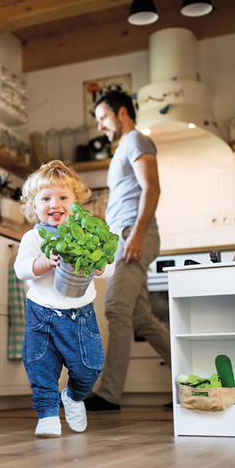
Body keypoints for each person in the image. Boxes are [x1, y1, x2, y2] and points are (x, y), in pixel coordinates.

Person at [83, 89, 171, 413]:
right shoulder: (123, 148)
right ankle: (193, 380)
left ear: (122, 113)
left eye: (103, 118)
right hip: (127, 236)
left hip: (136, 236)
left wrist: (136, 234)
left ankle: (109, 394)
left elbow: (152, 187)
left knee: (116, 309)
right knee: (141, 318)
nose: (100, 126)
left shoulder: (136, 140)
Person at [15, 160, 115, 438]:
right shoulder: (33, 237)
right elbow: (21, 269)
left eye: (62, 197)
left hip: (79, 313)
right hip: (41, 313)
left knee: (90, 366)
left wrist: (99, 267)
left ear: (76, 204)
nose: (54, 204)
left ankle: (72, 396)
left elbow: (109, 265)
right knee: (40, 366)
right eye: (45, 198)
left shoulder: (87, 234)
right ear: (34, 207)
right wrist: (45, 263)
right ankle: (47, 415)